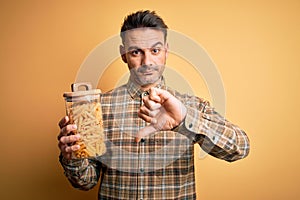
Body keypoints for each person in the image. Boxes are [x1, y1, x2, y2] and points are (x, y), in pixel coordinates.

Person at [58, 10, 250, 199]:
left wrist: (185, 120)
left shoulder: (192, 106)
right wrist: (73, 156)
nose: (147, 61)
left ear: (166, 51)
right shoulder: (98, 108)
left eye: (155, 50)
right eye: (136, 52)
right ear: (123, 54)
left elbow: (239, 149)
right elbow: (85, 182)